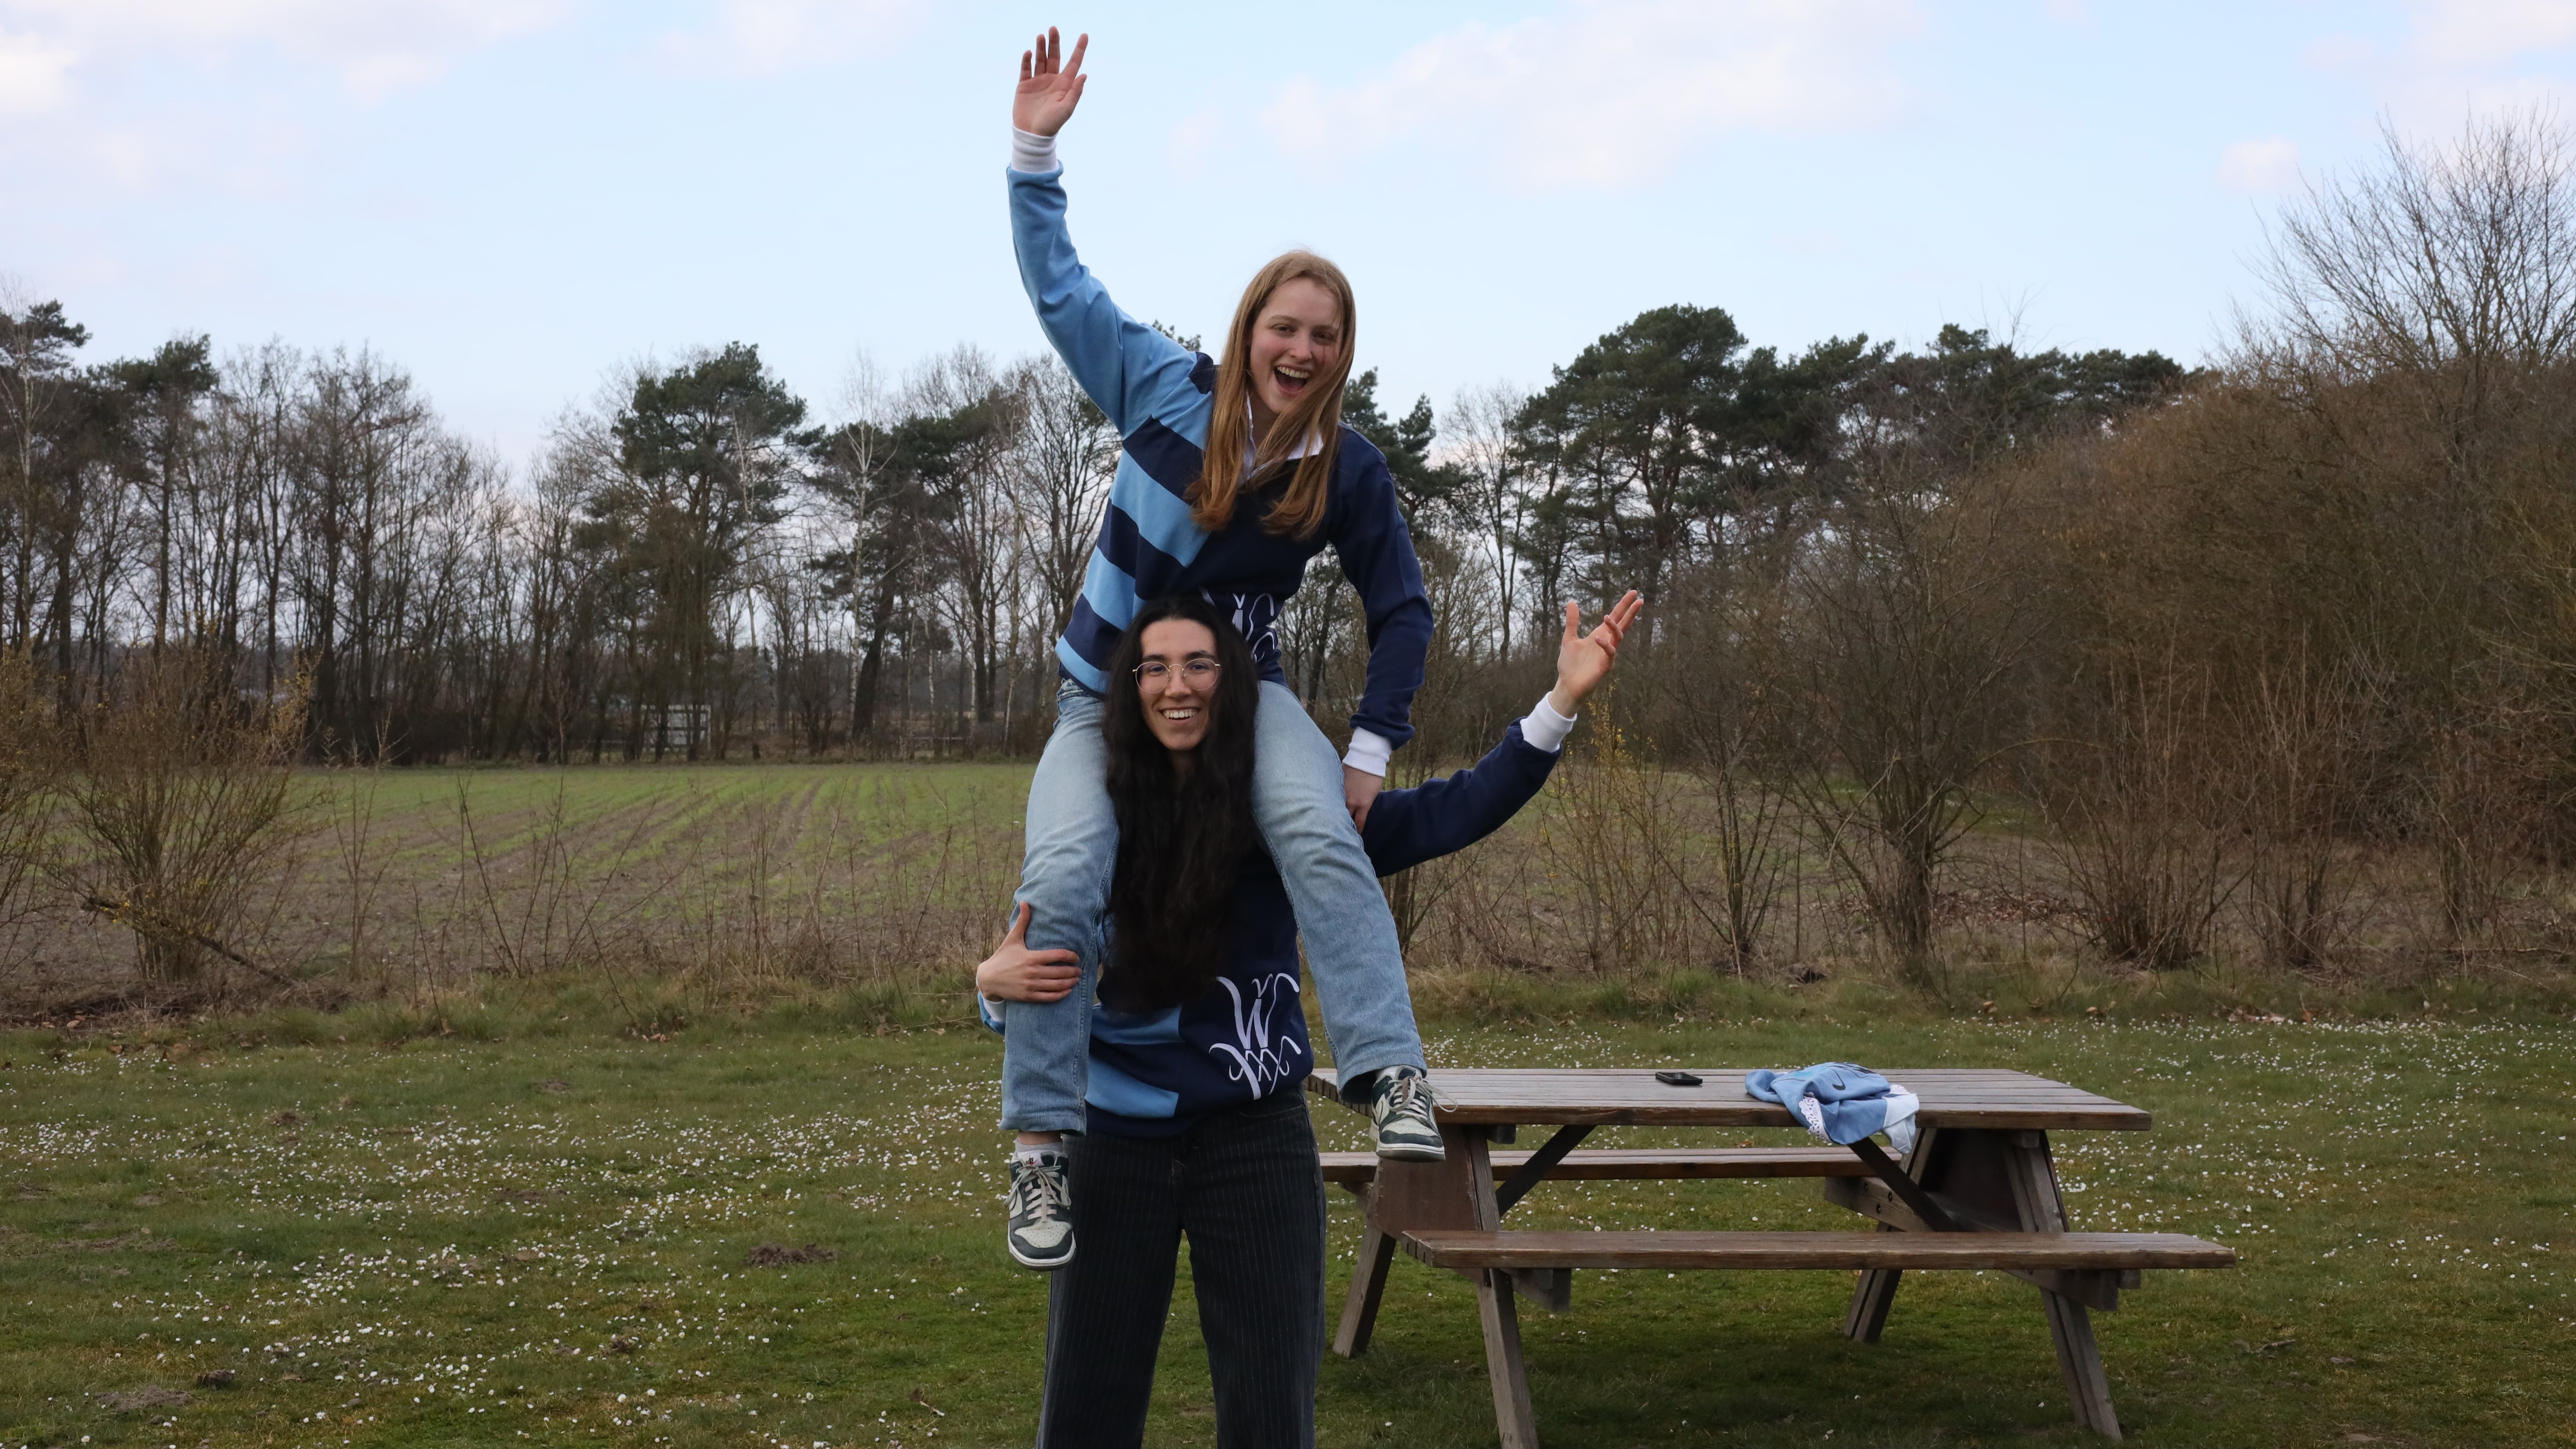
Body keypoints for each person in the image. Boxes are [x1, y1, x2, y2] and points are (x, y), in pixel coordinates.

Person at [976, 588, 1642, 1448]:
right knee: (1086, 1415)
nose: (1177, 686)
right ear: (1129, 689)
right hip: (1111, 1146)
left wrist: (1559, 704)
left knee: (1272, 1414)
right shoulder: (1090, 825)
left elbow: (1453, 810)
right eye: (1154, 667)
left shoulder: (1291, 818)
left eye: (1199, 664)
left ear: (1234, 681)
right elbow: (1034, 973)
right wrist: (990, 986)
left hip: (1255, 1143)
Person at [999, 26, 1448, 1269]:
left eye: (1325, 338)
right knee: (1065, 877)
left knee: (1321, 836)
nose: (1301, 351)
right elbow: (1059, 288)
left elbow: (1403, 608)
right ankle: (1040, 1151)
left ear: (1341, 357)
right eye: (1285, 327)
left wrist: (1369, 751)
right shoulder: (1159, 388)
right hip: (1101, 704)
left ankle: (1392, 1073)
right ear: (1251, 328)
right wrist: (1033, 152)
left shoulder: (1344, 469)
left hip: (1247, 709)